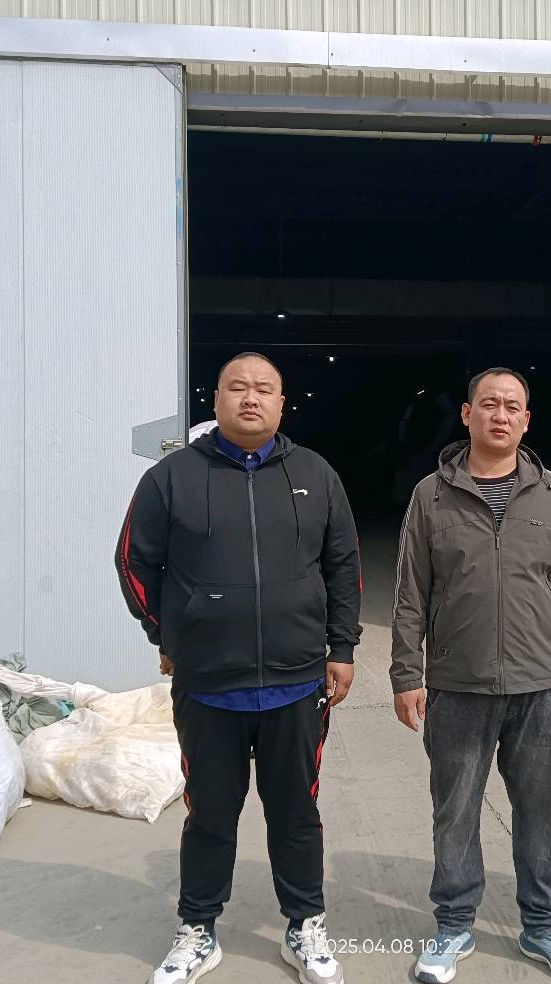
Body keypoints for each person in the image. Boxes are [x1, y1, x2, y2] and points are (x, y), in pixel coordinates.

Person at [116, 352, 362, 984]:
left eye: (264, 389)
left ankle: (304, 925)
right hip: (208, 685)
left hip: (296, 682)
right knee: (209, 814)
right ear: (217, 399)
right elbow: (133, 561)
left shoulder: (315, 474)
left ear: (282, 403)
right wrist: (168, 632)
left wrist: (340, 648)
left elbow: (343, 564)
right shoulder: (172, 477)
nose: (251, 398)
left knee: (296, 812)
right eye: (238, 387)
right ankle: (198, 930)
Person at [390, 367, 551, 984]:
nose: (500, 415)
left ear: (526, 421)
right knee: (455, 810)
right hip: (458, 684)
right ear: (467, 414)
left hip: (539, 685)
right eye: (489, 404)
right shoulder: (431, 495)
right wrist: (406, 673)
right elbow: (410, 594)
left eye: (512, 406)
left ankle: (543, 927)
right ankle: (454, 924)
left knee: (540, 810)